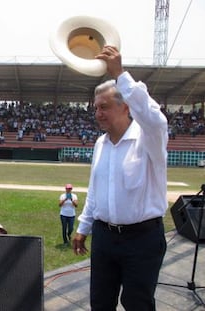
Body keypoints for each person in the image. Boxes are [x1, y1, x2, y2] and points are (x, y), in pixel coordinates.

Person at [72, 45, 168, 311]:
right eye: (95, 108)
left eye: (104, 107)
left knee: (137, 304)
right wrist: (83, 227)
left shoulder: (149, 138)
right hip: (104, 237)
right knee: (100, 303)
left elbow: (155, 119)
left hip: (142, 238)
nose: (98, 114)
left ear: (125, 107)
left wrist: (120, 75)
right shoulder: (100, 144)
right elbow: (95, 190)